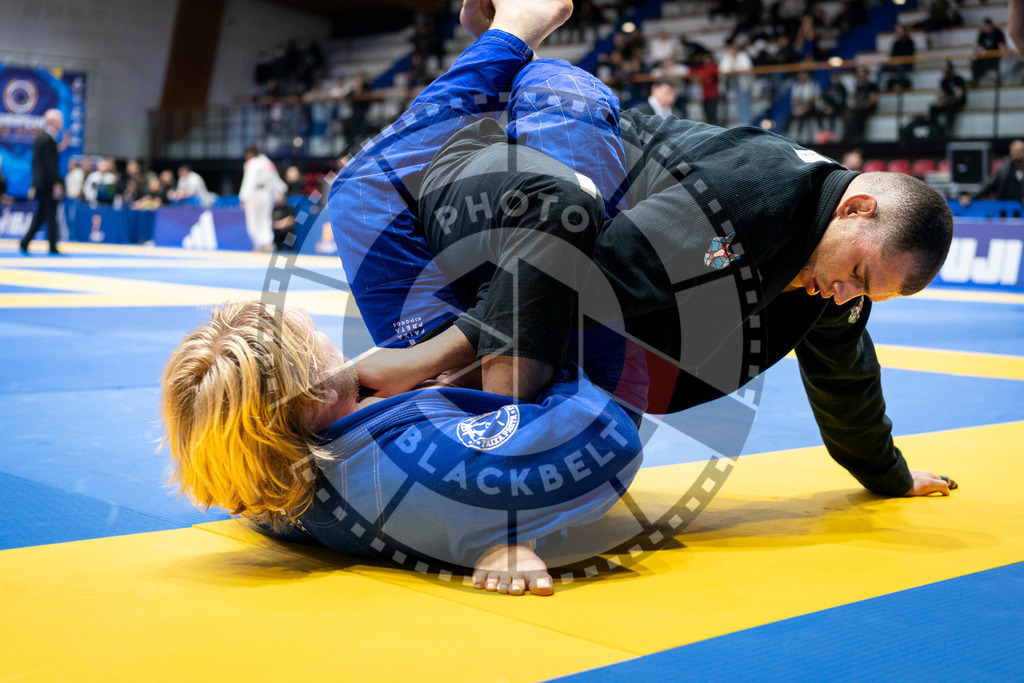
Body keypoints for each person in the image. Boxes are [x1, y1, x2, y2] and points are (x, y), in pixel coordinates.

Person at [334, 0, 958, 504]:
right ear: (855, 207)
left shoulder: (831, 271)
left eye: (866, 292)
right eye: (857, 274)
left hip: (566, 266)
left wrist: (889, 474)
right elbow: (589, 265)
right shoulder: (758, 195)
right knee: (503, 364)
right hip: (539, 190)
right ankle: (511, 42)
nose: (846, 294)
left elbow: (846, 374)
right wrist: (441, 357)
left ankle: (507, 47)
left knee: (558, 425)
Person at [163, 0, 645, 598]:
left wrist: (425, 373)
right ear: (315, 395)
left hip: (431, 391)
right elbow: (609, 439)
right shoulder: (421, 471)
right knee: (560, 105)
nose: (333, 347)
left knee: (358, 193)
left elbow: (239, 455)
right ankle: (519, 50)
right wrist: (501, 527)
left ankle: (505, 40)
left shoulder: (258, 479)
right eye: (316, 342)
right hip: (565, 378)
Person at [19, 109, 64, 256]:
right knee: (51, 214)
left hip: (41, 183)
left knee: (41, 215)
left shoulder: (40, 138)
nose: (61, 124)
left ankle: (25, 242)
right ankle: (52, 246)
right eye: (60, 121)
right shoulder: (48, 139)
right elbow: (49, 166)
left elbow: (36, 164)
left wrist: (34, 183)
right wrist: (55, 183)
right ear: (52, 122)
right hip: (47, 184)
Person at [239, 146, 287, 252]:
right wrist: (280, 193)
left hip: (254, 193)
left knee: (253, 220)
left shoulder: (251, 163)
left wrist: (243, 198)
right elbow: (275, 180)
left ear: (250, 154)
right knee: (266, 219)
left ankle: (258, 245)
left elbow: (248, 181)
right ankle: (268, 244)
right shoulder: (268, 163)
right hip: (266, 194)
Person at [959, 139, 1024, 206]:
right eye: (1013, 150)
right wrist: (970, 197)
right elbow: (988, 186)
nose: (1015, 153)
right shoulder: (1004, 169)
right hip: (1005, 208)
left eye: (1018, 151)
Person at [929, 61, 967, 135]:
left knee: (950, 106)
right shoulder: (944, 81)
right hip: (947, 101)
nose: (945, 73)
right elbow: (941, 95)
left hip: (957, 102)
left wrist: (949, 99)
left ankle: (949, 129)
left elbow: (959, 95)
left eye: (947, 71)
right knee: (933, 108)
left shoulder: (958, 80)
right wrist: (939, 102)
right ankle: (934, 128)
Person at [845, 67, 878, 143]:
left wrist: (863, 105)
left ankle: (860, 136)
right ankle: (851, 136)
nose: (862, 78)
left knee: (860, 114)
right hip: (861, 107)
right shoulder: (859, 87)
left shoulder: (872, 86)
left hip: (869, 107)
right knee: (852, 113)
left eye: (863, 76)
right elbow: (858, 98)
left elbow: (872, 100)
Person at [971, 18, 1008, 85]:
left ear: (991, 25)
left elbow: (1002, 46)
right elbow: (977, 47)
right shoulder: (982, 34)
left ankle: (999, 78)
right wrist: (980, 51)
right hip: (985, 56)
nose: (987, 28)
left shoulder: (998, 33)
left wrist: (1001, 51)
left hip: (996, 56)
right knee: (974, 60)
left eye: (988, 25)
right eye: (985, 26)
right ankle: (975, 79)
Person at [881, 23, 915, 91]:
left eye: (900, 31)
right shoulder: (896, 43)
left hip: (906, 63)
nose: (899, 33)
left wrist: (900, 59)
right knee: (882, 66)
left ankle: (900, 84)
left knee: (900, 65)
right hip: (896, 62)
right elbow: (892, 55)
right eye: (898, 32)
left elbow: (910, 54)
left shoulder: (909, 42)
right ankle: (879, 86)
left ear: (904, 32)